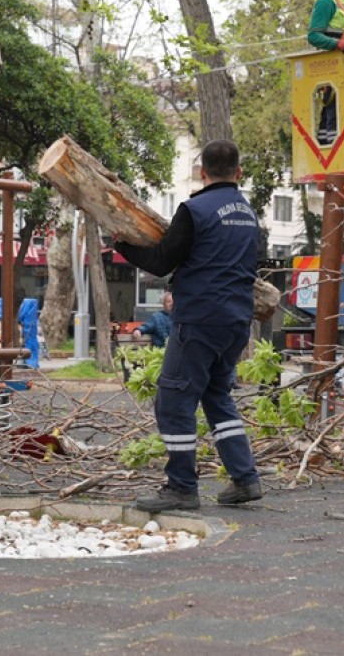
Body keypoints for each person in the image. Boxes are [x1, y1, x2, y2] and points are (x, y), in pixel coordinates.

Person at [115, 140, 263, 512]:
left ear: (202, 172)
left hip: (199, 320)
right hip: (236, 322)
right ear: (238, 172)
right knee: (217, 396)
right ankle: (245, 479)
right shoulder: (249, 214)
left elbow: (161, 262)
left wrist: (122, 246)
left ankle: (182, 487)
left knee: (173, 401)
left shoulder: (194, 210)